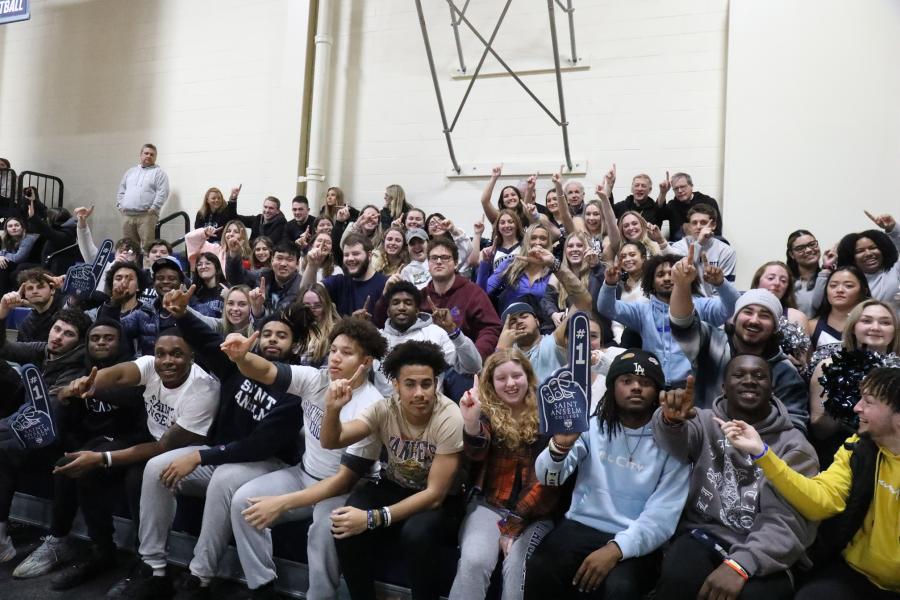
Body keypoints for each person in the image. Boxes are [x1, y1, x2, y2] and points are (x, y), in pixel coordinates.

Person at [119, 287, 308, 598]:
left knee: (224, 478)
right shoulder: (241, 364)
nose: (273, 339)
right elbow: (206, 343)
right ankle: (154, 567)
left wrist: (200, 457)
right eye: (268, 334)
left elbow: (258, 447)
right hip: (221, 457)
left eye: (282, 336)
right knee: (155, 469)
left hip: (266, 465)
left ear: (295, 344)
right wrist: (180, 313)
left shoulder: (297, 385)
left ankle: (200, 575)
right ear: (256, 338)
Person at [218, 317, 387, 600]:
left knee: (324, 529)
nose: (335, 358)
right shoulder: (317, 378)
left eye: (346, 353)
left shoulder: (371, 406)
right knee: (243, 504)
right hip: (304, 474)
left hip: (344, 490)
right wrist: (243, 358)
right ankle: (262, 586)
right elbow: (267, 370)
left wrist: (282, 503)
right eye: (333, 350)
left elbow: (344, 481)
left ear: (366, 362)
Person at [54, 329, 221, 600]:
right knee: (88, 467)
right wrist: (89, 382)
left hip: (184, 451)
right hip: (149, 439)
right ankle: (102, 551)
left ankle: (148, 568)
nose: (167, 361)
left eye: (177, 354)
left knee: (138, 476)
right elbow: (119, 374)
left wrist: (103, 458)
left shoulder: (204, 389)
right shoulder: (150, 366)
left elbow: (164, 447)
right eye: (161, 354)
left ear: (192, 356)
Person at [718, 366, 900, 599]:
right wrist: (762, 453)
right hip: (856, 573)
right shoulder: (859, 447)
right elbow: (822, 501)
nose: (857, 407)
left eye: (869, 401)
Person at [526, 350, 690, 600]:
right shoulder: (592, 426)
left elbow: (661, 517)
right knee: (541, 566)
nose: (636, 387)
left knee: (620, 588)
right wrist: (559, 446)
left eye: (645, 383)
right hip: (581, 524)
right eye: (626, 381)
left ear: (658, 392)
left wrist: (616, 548)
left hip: (636, 537)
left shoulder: (673, 442)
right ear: (612, 387)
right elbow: (550, 478)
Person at [653, 356, 818, 600]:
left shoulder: (794, 447)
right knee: (679, 577)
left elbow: (786, 521)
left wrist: (740, 564)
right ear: (724, 387)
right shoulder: (703, 420)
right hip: (704, 534)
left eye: (759, 376)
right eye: (739, 375)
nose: (750, 381)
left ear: (772, 389)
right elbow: (675, 442)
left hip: (765, 549)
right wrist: (670, 420)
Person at [319, 340, 464, 600]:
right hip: (396, 487)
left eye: (426, 384)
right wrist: (332, 409)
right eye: (410, 384)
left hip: (441, 502)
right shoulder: (384, 409)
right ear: (396, 385)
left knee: (416, 535)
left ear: (436, 384)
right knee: (345, 521)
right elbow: (332, 440)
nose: (419, 392)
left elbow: (435, 495)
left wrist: (373, 519)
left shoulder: (449, 416)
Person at [13, 318, 145, 589]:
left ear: (120, 342)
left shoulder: (134, 369)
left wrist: (92, 388)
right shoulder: (81, 369)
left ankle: (108, 552)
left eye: (108, 338)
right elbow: (75, 418)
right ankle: (63, 541)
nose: (101, 342)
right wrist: (65, 400)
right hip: (92, 439)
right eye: (95, 338)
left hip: (129, 440)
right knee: (67, 459)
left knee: (80, 464)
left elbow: (132, 401)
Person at [449, 351, 559, 600]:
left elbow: (549, 481)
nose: (510, 384)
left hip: (534, 513)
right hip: (490, 505)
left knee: (517, 567)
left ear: (528, 377)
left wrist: (513, 524)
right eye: (502, 378)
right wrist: (471, 423)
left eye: (516, 376)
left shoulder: (548, 412)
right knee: (474, 561)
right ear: (491, 383)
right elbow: (476, 452)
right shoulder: (484, 411)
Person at [668, 250, 810, 432]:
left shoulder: (785, 371)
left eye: (764, 315)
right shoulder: (712, 341)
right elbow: (682, 324)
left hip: (758, 452)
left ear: (775, 327)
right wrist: (681, 285)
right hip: (703, 442)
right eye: (748, 312)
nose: (754, 320)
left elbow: (795, 427)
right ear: (734, 319)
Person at [0, 307, 91, 564]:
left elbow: (48, 415)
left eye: (68, 334)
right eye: (57, 329)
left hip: (58, 433)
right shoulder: (46, 348)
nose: (58, 336)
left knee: (4, 449)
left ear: (79, 342)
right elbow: (5, 348)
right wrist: (2, 315)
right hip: (28, 415)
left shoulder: (76, 367)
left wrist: (6, 426)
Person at [597, 251, 739, 387]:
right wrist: (609, 284)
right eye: (660, 275)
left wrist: (721, 283)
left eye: (672, 274)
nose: (667, 278)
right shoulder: (641, 310)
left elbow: (734, 306)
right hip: (654, 385)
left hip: (693, 386)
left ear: (686, 277)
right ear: (651, 282)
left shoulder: (702, 306)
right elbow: (606, 307)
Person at [807, 299, 899, 465]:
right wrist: (839, 404)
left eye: (885, 322)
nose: (875, 328)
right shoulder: (829, 367)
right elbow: (820, 431)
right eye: (866, 321)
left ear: (895, 331)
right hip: (839, 456)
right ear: (854, 327)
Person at [375, 281, 482, 396]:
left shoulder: (434, 333)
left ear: (417, 310)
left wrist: (453, 331)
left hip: (430, 407)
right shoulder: (376, 339)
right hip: (386, 409)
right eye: (396, 303)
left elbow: (472, 367)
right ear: (388, 311)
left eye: (408, 303)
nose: (401, 307)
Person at [302, 234, 388, 317]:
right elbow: (306, 292)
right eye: (346, 255)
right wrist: (312, 265)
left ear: (369, 256)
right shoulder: (339, 281)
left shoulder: (385, 284)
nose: (350, 258)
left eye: (355, 254)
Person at [836, 211, 899, 311]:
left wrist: (893, 229)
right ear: (852, 257)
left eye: (873, 248)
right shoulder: (846, 280)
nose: (868, 253)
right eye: (859, 251)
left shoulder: (894, 270)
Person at [669, 203, 735, 297]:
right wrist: (699, 243)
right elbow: (682, 274)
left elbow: (726, 290)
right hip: (684, 300)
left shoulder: (726, 251)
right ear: (689, 226)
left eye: (703, 222)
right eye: (694, 223)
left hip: (714, 303)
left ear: (713, 225)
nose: (698, 226)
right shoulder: (679, 246)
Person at [227, 242, 304, 319]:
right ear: (272, 260)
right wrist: (234, 254)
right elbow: (237, 279)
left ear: (297, 264)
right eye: (279, 258)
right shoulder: (262, 275)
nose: (283, 264)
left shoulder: (302, 285)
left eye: (289, 260)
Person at [807, 266, 870, 355]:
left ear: (864, 291)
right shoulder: (811, 327)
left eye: (848, 286)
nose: (839, 290)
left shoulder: (873, 326)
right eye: (833, 286)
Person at [116, 143, 170, 248]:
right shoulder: (130, 172)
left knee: (147, 247)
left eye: (152, 154)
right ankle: (130, 265)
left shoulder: (159, 173)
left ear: (155, 157)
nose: (148, 156)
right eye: (146, 153)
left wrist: (154, 208)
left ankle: (147, 265)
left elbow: (162, 192)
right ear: (141, 155)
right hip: (127, 216)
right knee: (128, 247)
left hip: (146, 216)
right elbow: (121, 190)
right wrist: (120, 205)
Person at [661, 172, 722, 242]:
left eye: (682, 187)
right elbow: (659, 214)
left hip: (706, 242)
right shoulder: (672, 205)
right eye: (676, 188)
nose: (679, 191)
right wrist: (663, 193)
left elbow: (717, 230)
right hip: (679, 245)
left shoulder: (708, 201)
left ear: (691, 186)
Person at [750, 261, 809, 330]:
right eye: (770, 278)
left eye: (783, 281)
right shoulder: (742, 310)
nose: (777, 283)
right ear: (757, 282)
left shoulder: (796, 317)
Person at [12, 268, 66, 343]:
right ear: (25, 294)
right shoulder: (26, 324)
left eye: (40, 287)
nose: (35, 291)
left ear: (52, 290)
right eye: (30, 288)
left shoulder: (66, 306)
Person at [785, 229, 829, 318]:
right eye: (800, 248)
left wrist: (827, 267)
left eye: (812, 244)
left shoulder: (830, 277)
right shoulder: (786, 283)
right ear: (792, 254)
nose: (808, 250)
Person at [0, 216, 40, 293]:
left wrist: (3, 255)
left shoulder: (28, 239)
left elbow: (18, 258)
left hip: (33, 264)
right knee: (2, 264)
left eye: (16, 225)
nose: (13, 228)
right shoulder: (8, 239)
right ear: (7, 229)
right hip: (19, 264)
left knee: (3, 265)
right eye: (10, 226)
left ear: (22, 227)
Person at [189, 253, 226, 318]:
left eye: (207, 263)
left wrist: (229, 297)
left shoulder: (226, 289)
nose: (203, 267)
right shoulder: (196, 294)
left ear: (216, 267)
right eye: (199, 264)